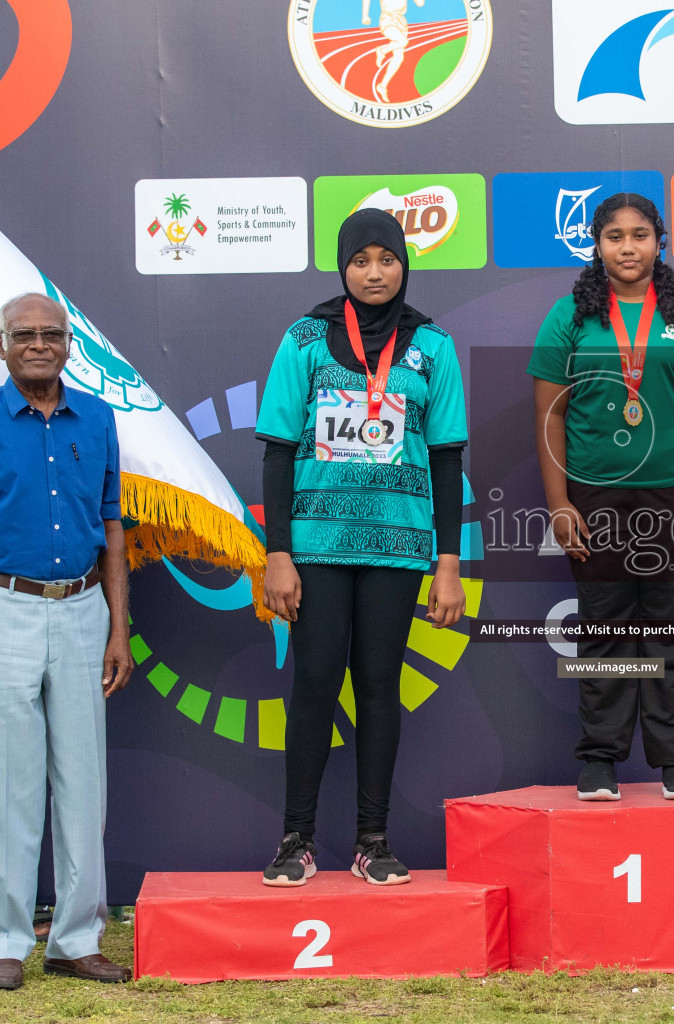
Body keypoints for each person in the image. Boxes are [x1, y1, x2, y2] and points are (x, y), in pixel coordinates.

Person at [0, 293, 134, 989]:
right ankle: (5, 942)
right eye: (25, 335)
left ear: (69, 345)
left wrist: (119, 628)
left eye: (52, 334)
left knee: (85, 785)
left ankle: (77, 939)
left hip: (81, 610)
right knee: (7, 786)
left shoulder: (99, 418)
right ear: (1, 345)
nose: (39, 344)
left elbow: (112, 530)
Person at [257, 208, 468, 887]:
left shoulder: (432, 348)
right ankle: (297, 840)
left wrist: (449, 562)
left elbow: (446, 459)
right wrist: (277, 553)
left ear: (405, 263)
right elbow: (278, 451)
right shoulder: (305, 339)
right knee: (315, 685)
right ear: (342, 267)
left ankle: (373, 842)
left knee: (378, 688)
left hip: (397, 550)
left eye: (387, 259)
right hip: (315, 549)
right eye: (360, 260)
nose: (374, 272)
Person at [528, 192, 674, 802]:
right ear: (596, 243)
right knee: (603, 628)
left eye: (639, 234)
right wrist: (560, 504)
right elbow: (549, 417)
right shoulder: (568, 316)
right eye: (614, 235)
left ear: (659, 241)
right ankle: (599, 759)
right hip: (594, 495)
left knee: (672, 627)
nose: (627, 246)